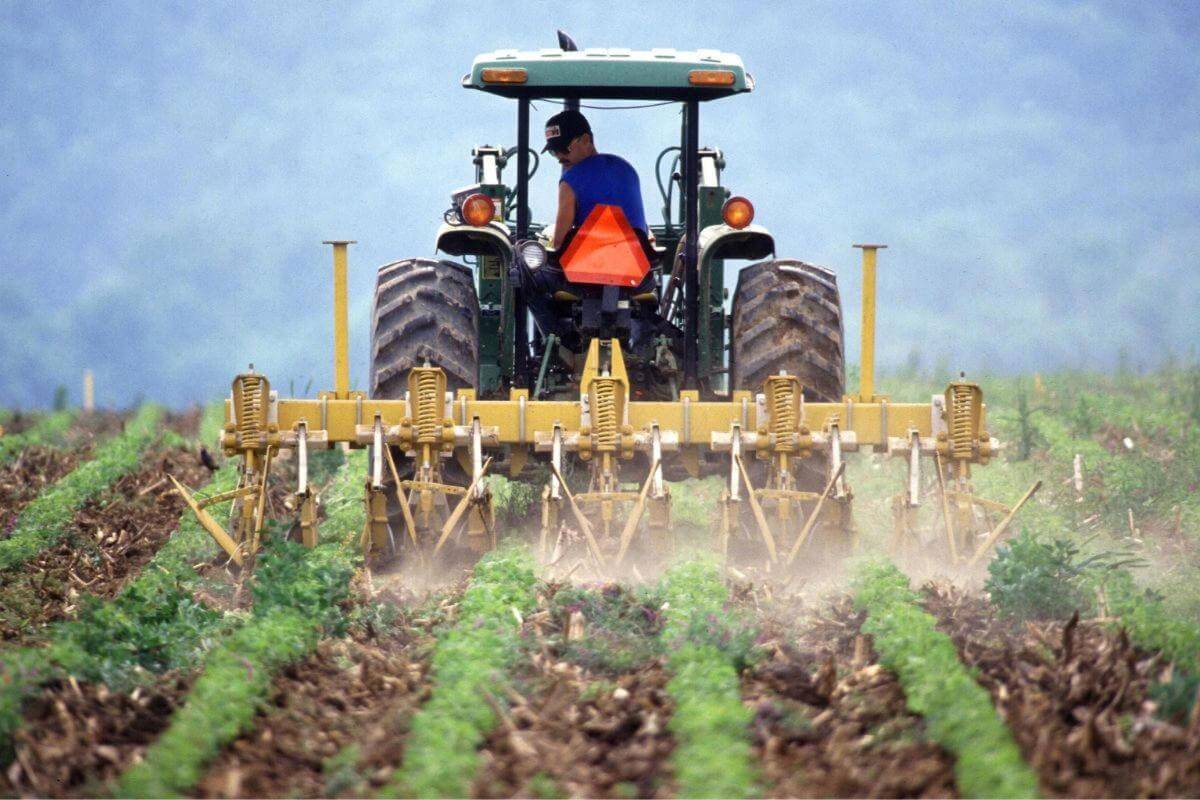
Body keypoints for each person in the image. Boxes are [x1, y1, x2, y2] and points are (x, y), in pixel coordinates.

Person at [541, 109, 647, 249]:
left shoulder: (570, 181)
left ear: (585, 140)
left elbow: (560, 243)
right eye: (553, 152)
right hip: (638, 263)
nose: (560, 157)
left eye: (564, 149)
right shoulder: (628, 170)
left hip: (592, 264)